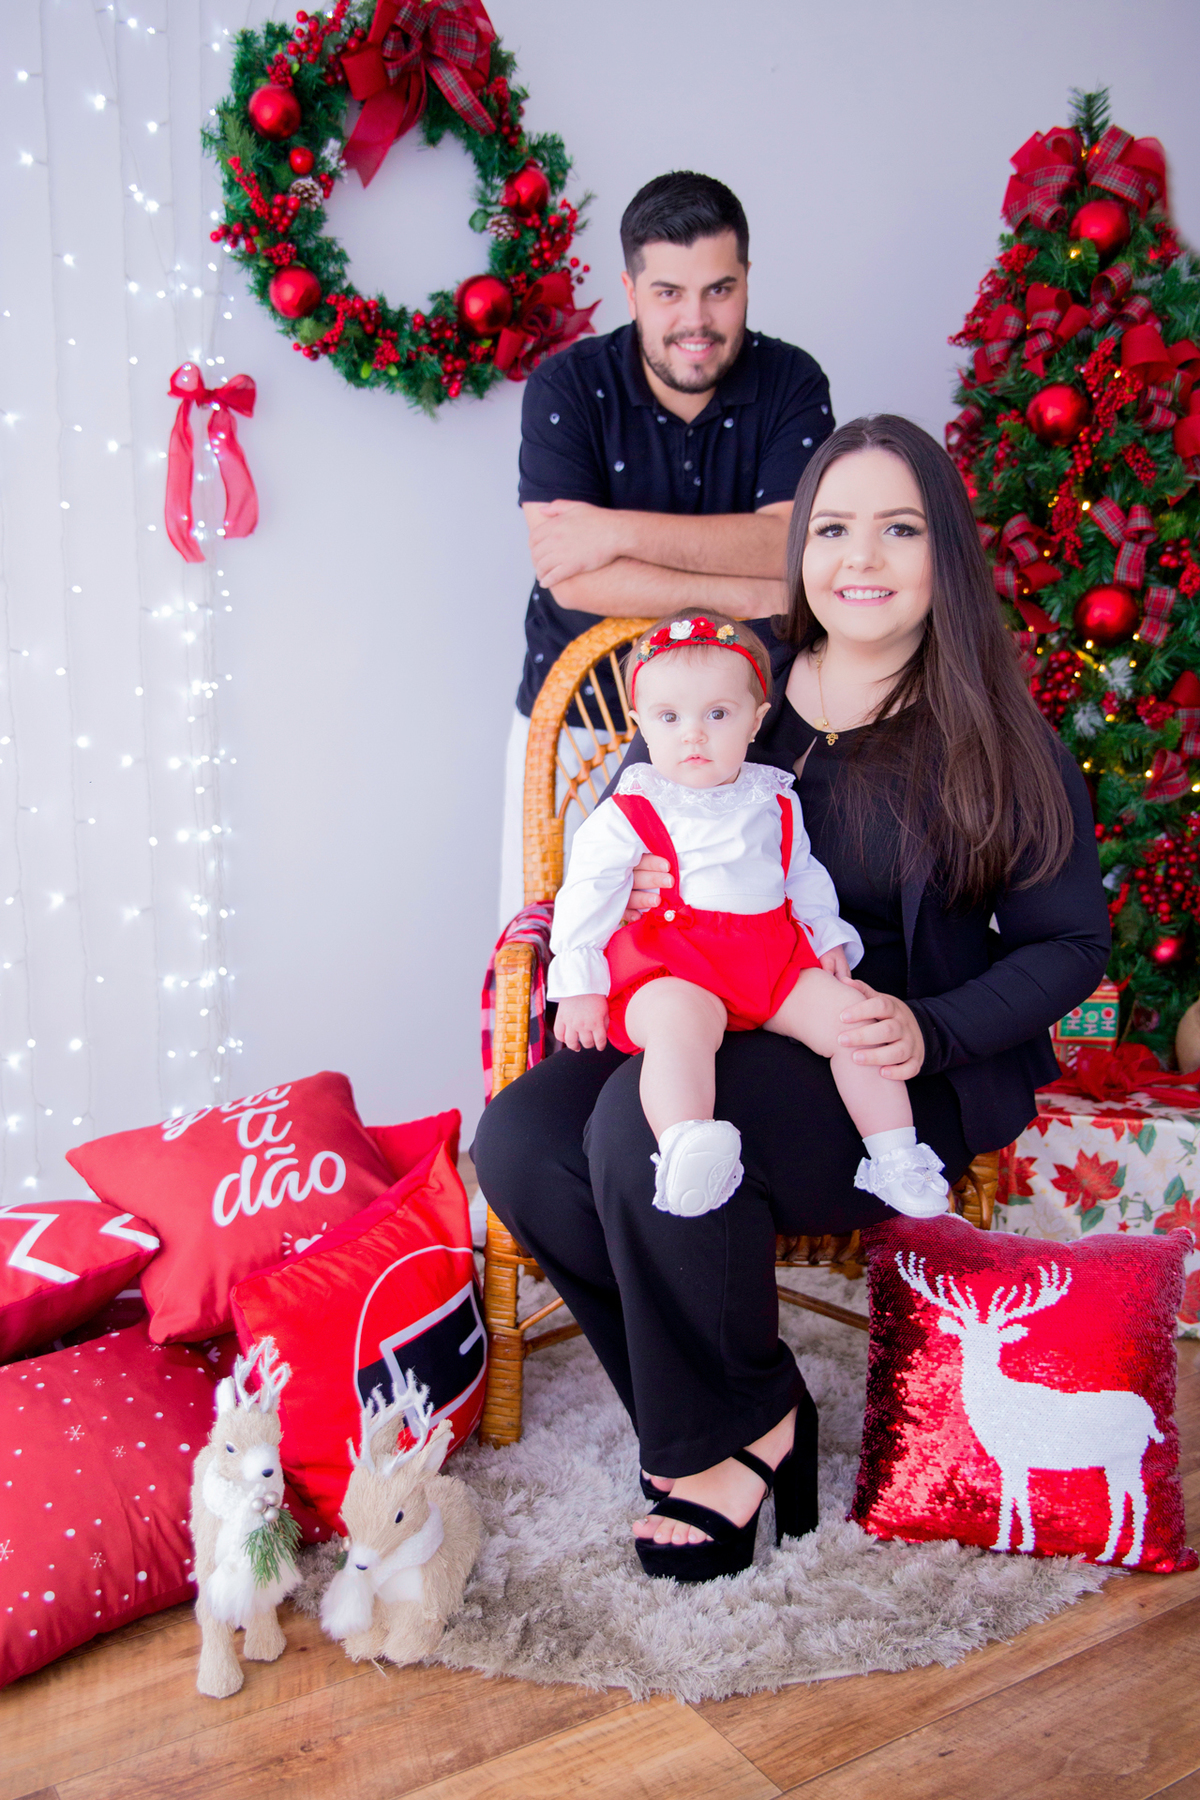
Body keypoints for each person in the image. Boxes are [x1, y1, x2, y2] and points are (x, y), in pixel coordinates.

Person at [474, 415, 1110, 1585]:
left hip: (882, 1054)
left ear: (945, 552)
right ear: (800, 550)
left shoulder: (997, 732)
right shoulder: (738, 681)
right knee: (520, 1143)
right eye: (832, 528)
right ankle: (752, 1408)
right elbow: (628, 834)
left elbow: (1073, 941)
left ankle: (712, 1451)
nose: (860, 557)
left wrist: (936, 1027)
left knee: (635, 1134)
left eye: (899, 528)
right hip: (712, 1002)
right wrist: (634, 902)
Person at [498, 170, 834, 927]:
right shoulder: (566, 386)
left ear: (747, 279)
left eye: (719, 290)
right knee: (564, 943)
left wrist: (613, 531)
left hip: (744, 716)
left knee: (744, 930)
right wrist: (752, 595)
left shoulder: (791, 382)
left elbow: (789, 542)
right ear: (629, 289)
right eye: (669, 293)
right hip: (580, 713)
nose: (697, 318)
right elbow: (570, 581)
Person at [549, 609, 951, 1223]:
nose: (694, 735)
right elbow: (588, 893)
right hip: (672, 966)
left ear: (755, 720)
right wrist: (579, 987)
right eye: (669, 717)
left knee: (854, 1021)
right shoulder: (632, 807)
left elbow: (801, 876)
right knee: (679, 1027)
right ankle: (686, 1143)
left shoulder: (771, 797)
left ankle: (896, 1155)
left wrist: (827, 938)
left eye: (717, 714)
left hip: (770, 961)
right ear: (641, 726)